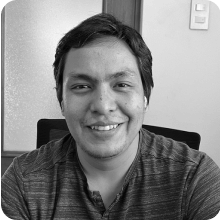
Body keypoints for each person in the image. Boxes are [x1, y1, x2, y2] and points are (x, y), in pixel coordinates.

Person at [1, 13, 220, 220]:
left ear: (145, 97)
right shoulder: (23, 183)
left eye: (122, 84)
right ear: (61, 101)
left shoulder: (194, 177)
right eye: (82, 86)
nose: (103, 106)